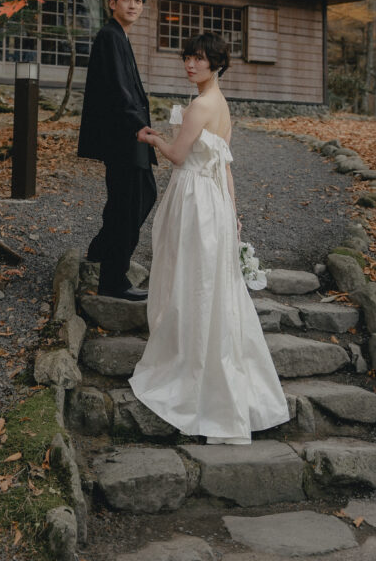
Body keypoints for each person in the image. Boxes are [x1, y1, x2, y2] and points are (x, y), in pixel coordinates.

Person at [129, 32, 289, 443]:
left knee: (190, 276)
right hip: (214, 200)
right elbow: (226, 166)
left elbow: (179, 157)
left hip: (195, 198)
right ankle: (203, 352)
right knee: (208, 281)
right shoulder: (222, 105)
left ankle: (188, 358)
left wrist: (152, 138)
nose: (190, 65)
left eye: (199, 59)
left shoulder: (200, 105)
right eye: (187, 58)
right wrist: (233, 214)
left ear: (216, 64)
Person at [78, 0, 157, 301]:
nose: (133, 5)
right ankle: (113, 278)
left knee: (136, 197)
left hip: (126, 134)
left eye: (139, 1)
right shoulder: (110, 36)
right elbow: (117, 89)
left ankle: (100, 250)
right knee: (130, 203)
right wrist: (138, 125)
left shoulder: (119, 36)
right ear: (112, 3)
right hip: (124, 134)